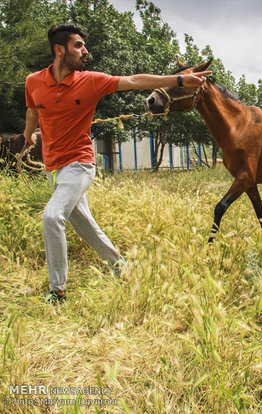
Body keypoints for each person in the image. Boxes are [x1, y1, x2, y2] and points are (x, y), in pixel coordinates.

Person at [21, 23, 210, 305]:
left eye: (84, 45)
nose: (85, 51)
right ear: (59, 50)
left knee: (52, 217)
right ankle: (121, 268)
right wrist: (27, 135)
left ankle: (57, 291)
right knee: (87, 229)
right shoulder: (33, 81)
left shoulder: (90, 81)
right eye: (77, 45)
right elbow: (33, 109)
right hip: (54, 168)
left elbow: (133, 81)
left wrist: (179, 80)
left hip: (79, 164)